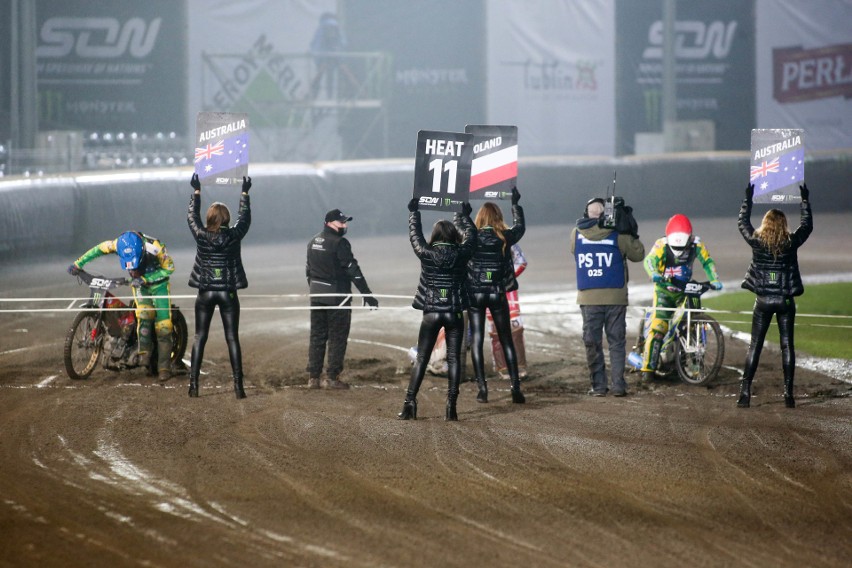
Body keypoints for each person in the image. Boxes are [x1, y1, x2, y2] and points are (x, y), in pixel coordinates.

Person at [736, 183, 812, 408]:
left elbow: (742, 223)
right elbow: (806, 227)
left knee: (755, 346)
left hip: (763, 301)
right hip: (785, 301)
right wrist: (805, 201)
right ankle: (788, 395)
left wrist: (747, 199)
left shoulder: (757, 242)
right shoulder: (790, 243)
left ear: (765, 224)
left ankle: (745, 393)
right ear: (784, 225)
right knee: (787, 346)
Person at [400, 198, 476, 421]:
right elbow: (472, 239)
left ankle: (409, 404)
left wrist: (414, 212)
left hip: (431, 312)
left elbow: (415, 237)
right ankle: (451, 407)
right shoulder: (462, 254)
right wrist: (466, 216)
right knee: (454, 359)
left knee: (422, 358)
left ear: (435, 236)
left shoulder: (426, 253)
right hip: (454, 313)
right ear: (453, 235)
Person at [68, 230, 175, 381]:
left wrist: (146, 279)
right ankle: (144, 355)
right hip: (140, 286)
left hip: (159, 286)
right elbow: (98, 249)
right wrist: (78, 263)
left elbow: (169, 268)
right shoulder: (117, 244)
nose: (132, 270)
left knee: (164, 325)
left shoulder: (156, 247)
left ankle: (164, 367)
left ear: (143, 251)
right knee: (144, 315)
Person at [186, 173, 252, 399]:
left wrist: (196, 192)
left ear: (211, 218)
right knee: (232, 338)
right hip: (228, 294)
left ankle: (193, 387)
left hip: (205, 292)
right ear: (226, 219)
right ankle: (238, 388)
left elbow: (191, 218)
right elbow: (245, 219)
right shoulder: (234, 235)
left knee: (199, 337)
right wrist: (244, 193)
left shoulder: (202, 236)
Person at [571, 198, 645, 396]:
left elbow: (573, 250)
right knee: (616, 342)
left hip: (589, 298)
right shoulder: (618, 234)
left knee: (592, 342)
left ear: (586, 214)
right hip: (615, 297)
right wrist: (628, 228)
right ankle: (619, 386)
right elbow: (638, 254)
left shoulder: (576, 233)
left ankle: (598, 386)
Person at [641, 213, 722, 380]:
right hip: (663, 292)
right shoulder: (660, 244)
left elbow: (707, 262)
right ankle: (647, 371)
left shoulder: (697, 244)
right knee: (658, 330)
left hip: (685, 291)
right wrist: (654, 273)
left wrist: (714, 279)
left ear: (689, 238)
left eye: (682, 249)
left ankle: (691, 363)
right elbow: (649, 261)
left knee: (692, 326)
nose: (678, 253)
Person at [306, 208, 379, 389]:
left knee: (317, 336)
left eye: (345, 222)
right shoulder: (340, 243)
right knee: (338, 337)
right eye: (341, 222)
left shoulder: (312, 241)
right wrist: (367, 294)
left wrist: (316, 291)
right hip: (338, 297)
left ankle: (313, 378)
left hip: (316, 296)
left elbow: (308, 271)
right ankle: (332, 378)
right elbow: (353, 271)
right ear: (329, 223)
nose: (345, 225)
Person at [466, 187, 526, 404]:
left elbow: (460, 226)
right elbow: (520, 227)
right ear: (498, 218)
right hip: (497, 293)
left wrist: (462, 212)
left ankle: (482, 390)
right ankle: (515, 388)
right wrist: (515, 204)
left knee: (477, 341)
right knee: (506, 339)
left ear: (480, 217)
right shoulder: (504, 237)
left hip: (475, 294)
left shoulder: (471, 237)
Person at [488, 243, 528, 380]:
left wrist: (504, 277)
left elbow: (522, 262)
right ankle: (503, 366)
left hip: (502, 289)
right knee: (497, 328)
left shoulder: (507, 238)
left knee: (513, 325)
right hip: (492, 289)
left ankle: (517, 365)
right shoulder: (506, 237)